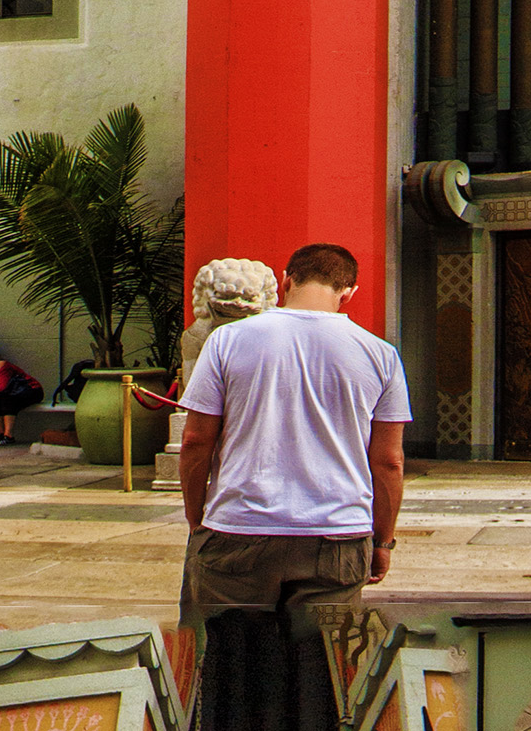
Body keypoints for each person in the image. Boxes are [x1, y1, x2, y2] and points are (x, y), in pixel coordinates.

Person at [165, 239, 416, 731]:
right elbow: (388, 461)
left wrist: (199, 519)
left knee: (229, 680)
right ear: (349, 292)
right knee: (323, 682)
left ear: (285, 279)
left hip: (237, 536)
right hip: (336, 539)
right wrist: (381, 541)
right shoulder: (380, 356)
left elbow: (196, 442)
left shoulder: (228, 341)